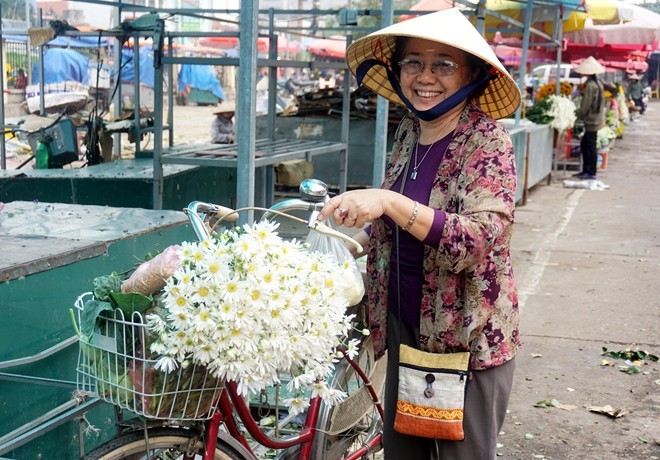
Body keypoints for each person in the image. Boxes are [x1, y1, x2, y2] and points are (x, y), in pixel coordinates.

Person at [318, 8, 521, 459]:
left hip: (464, 340)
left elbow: (477, 240)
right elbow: (397, 224)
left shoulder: (487, 141)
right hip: (406, 326)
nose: (425, 77)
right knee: (403, 452)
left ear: (473, 75)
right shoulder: (411, 129)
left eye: (443, 64)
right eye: (413, 62)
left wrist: (390, 202)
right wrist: (359, 235)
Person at [573, 57, 606, 181]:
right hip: (595, 119)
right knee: (586, 145)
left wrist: (576, 114)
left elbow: (585, 106)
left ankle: (590, 171)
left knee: (589, 146)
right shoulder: (597, 84)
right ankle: (587, 170)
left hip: (592, 121)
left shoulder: (591, 86)